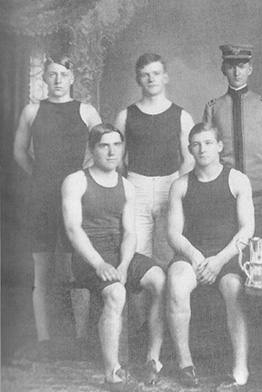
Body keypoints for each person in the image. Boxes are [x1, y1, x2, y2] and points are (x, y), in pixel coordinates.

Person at [62, 124, 166, 390]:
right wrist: (99, 264)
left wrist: (123, 264)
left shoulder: (127, 187)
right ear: (92, 148)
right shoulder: (76, 181)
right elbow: (73, 230)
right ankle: (113, 373)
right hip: (88, 258)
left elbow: (130, 233)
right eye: (104, 145)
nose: (111, 152)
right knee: (117, 293)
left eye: (117, 145)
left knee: (161, 280)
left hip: (120, 255)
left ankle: (152, 360)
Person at [13, 53, 101, 359]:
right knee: (42, 269)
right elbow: (20, 152)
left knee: (77, 266)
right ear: (44, 78)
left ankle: (79, 338)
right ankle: (44, 340)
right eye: (52, 74)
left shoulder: (87, 111)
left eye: (64, 74)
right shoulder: (32, 110)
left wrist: (77, 178)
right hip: (41, 197)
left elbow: (102, 150)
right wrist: (42, 177)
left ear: (73, 78)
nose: (58, 80)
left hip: (76, 198)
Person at [166, 123, 254, 391]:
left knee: (233, 287)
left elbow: (247, 228)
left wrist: (218, 260)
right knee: (177, 282)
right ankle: (186, 364)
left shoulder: (237, 179)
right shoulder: (180, 185)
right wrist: (195, 256)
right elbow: (173, 233)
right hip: (194, 255)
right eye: (196, 144)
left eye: (207, 143)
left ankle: (240, 366)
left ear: (219, 146)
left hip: (228, 254)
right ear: (190, 149)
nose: (202, 149)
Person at [114, 52, 195, 264]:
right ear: (137, 80)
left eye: (156, 73)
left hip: (170, 185)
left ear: (165, 77)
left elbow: (189, 160)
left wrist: (177, 189)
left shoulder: (182, 116)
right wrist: (131, 183)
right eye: (145, 75)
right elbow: (117, 160)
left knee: (168, 253)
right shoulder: (125, 115)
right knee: (137, 255)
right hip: (136, 186)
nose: (151, 79)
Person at [203, 44, 262, 236]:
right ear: (223, 69)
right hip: (225, 194)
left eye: (241, 66)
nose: (236, 71)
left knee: (258, 250)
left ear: (250, 69)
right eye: (231, 66)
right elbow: (206, 154)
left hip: (260, 194)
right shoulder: (214, 108)